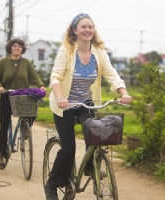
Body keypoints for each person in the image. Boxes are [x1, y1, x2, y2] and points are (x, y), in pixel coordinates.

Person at [46, 13, 132, 200]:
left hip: (85, 102)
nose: (87, 30)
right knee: (68, 149)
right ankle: (52, 183)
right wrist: (61, 98)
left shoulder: (99, 52)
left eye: (90, 27)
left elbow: (111, 74)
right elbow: (56, 76)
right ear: (75, 30)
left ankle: (88, 167)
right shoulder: (66, 50)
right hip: (65, 104)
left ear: (94, 30)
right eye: (83, 27)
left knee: (96, 139)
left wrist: (123, 92)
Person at [0, 38, 46, 166]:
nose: (17, 48)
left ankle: (25, 128)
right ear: (10, 48)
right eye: (15, 46)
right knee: (4, 125)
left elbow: (35, 76)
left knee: (32, 114)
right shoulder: (3, 62)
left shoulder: (26, 62)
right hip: (6, 97)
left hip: (23, 97)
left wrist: (41, 85)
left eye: (20, 47)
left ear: (23, 49)